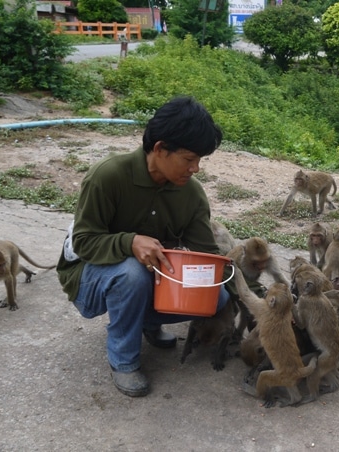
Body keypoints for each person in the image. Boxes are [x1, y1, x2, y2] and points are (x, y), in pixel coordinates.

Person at [57, 96, 230, 397]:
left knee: (217, 294)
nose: (196, 168)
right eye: (189, 159)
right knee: (131, 273)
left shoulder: (191, 195)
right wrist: (129, 241)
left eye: (200, 160)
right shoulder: (108, 176)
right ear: (161, 149)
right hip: (89, 277)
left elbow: (206, 254)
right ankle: (123, 359)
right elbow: (82, 242)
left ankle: (145, 320)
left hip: (151, 278)